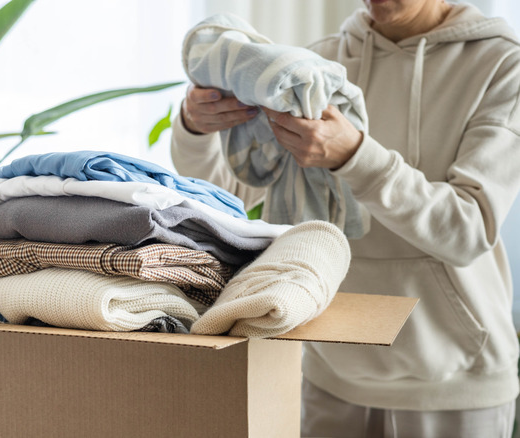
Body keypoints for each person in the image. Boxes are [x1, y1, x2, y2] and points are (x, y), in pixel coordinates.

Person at [171, 0, 520, 436]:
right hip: (328, 363)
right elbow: (228, 201)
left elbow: (467, 231)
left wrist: (356, 156)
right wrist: (196, 128)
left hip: (453, 379)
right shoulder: (314, 64)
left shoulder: (503, 62)